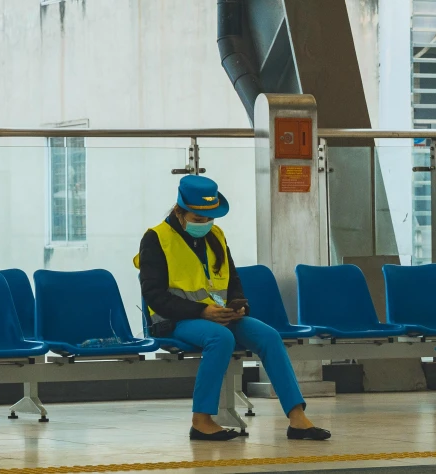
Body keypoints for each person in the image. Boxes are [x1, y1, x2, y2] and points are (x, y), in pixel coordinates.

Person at [134, 175, 331, 442]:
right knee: (220, 338)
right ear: (180, 211)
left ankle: (297, 418)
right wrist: (202, 312)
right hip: (174, 320)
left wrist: (238, 305)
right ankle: (201, 420)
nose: (204, 224)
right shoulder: (156, 239)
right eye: (198, 218)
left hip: (218, 316)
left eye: (209, 218)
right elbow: (154, 296)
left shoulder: (216, 235)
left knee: (269, 336)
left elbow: (232, 280)